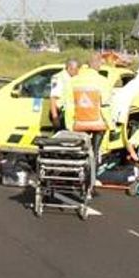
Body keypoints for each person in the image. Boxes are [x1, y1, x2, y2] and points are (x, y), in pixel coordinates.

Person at [66, 61, 109, 192]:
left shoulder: (74, 80)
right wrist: (109, 123)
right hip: (97, 123)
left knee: (78, 150)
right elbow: (106, 103)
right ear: (97, 66)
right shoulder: (103, 81)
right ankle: (91, 182)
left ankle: (74, 178)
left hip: (79, 122)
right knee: (94, 152)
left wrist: (69, 123)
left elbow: (68, 103)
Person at [49, 59, 80, 131]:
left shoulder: (74, 78)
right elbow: (53, 97)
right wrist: (55, 117)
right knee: (61, 137)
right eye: (76, 70)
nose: (77, 72)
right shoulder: (58, 78)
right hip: (60, 113)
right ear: (69, 68)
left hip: (69, 114)